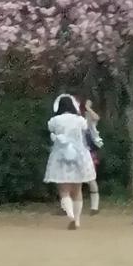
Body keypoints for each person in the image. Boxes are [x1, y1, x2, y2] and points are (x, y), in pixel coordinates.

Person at [44, 93, 98, 230]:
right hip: (79, 156)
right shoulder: (79, 120)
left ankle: (71, 216)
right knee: (77, 190)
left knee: (64, 190)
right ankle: (77, 220)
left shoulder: (55, 120)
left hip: (61, 156)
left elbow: (50, 129)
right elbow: (87, 127)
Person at [82, 97, 103, 214]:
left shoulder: (89, 119)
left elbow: (96, 117)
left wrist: (88, 108)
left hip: (89, 153)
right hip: (78, 153)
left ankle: (95, 207)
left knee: (91, 179)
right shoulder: (75, 119)